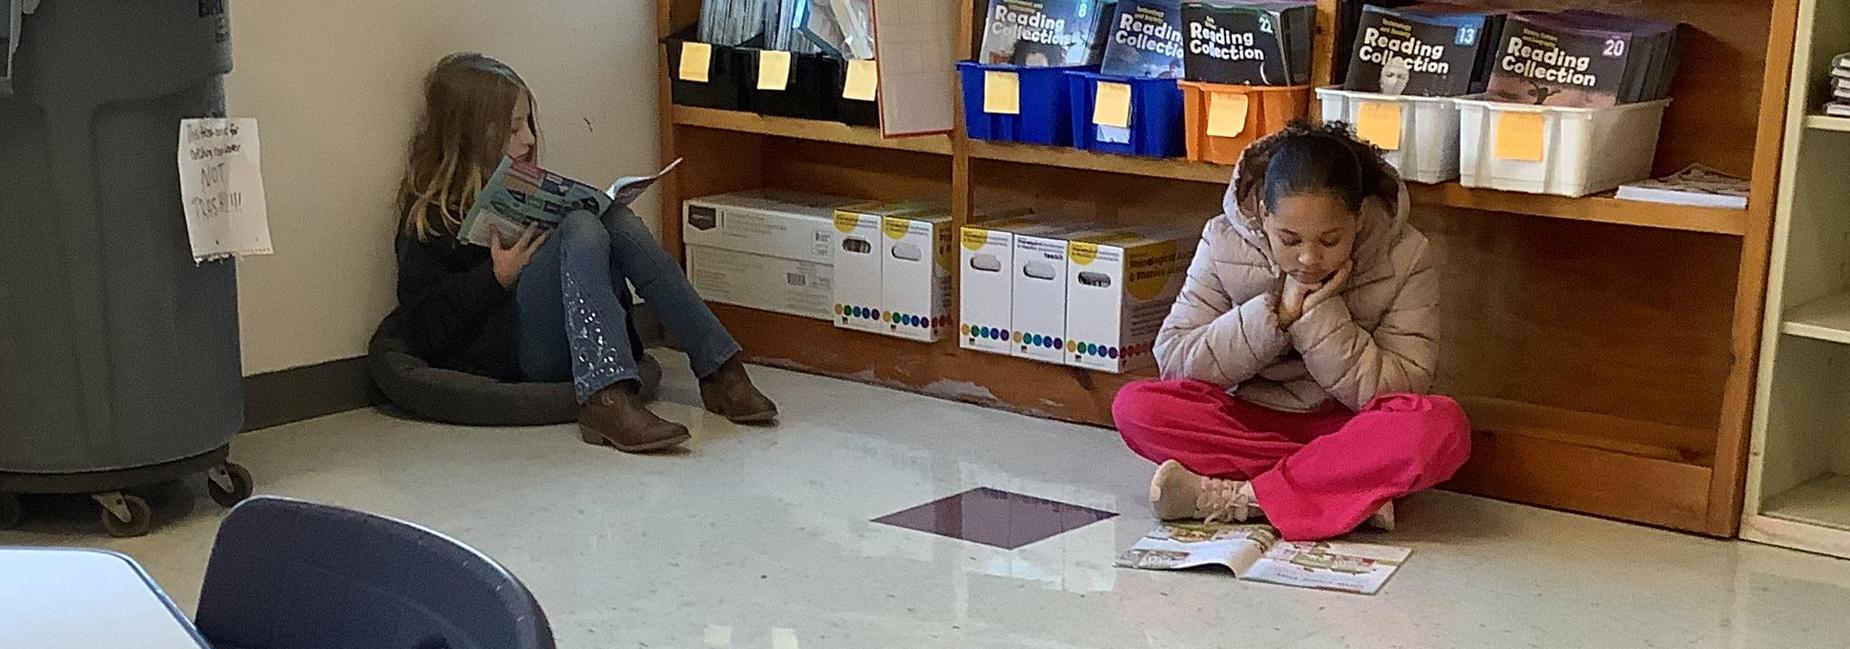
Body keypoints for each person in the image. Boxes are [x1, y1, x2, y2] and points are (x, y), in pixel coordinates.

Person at [393, 53, 776, 453]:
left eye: (528, 124)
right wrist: (494, 278)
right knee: (581, 225)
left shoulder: (517, 188)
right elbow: (423, 328)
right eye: (512, 128)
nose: (528, 139)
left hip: (562, 335)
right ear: (472, 135)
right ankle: (606, 396)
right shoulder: (428, 216)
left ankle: (719, 368)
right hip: (511, 353)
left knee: (616, 219)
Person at [1111, 121, 1470, 541]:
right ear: (1264, 214)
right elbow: (1174, 361)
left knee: (1441, 427)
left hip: (1345, 427)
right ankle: (1340, 488)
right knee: (1136, 406)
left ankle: (1244, 497)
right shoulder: (1222, 239)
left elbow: (1401, 386)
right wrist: (1275, 317)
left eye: (1330, 240)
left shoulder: (1406, 254)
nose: (1308, 258)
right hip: (1250, 422)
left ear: (1358, 218)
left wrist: (1318, 317)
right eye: (1289, 238)